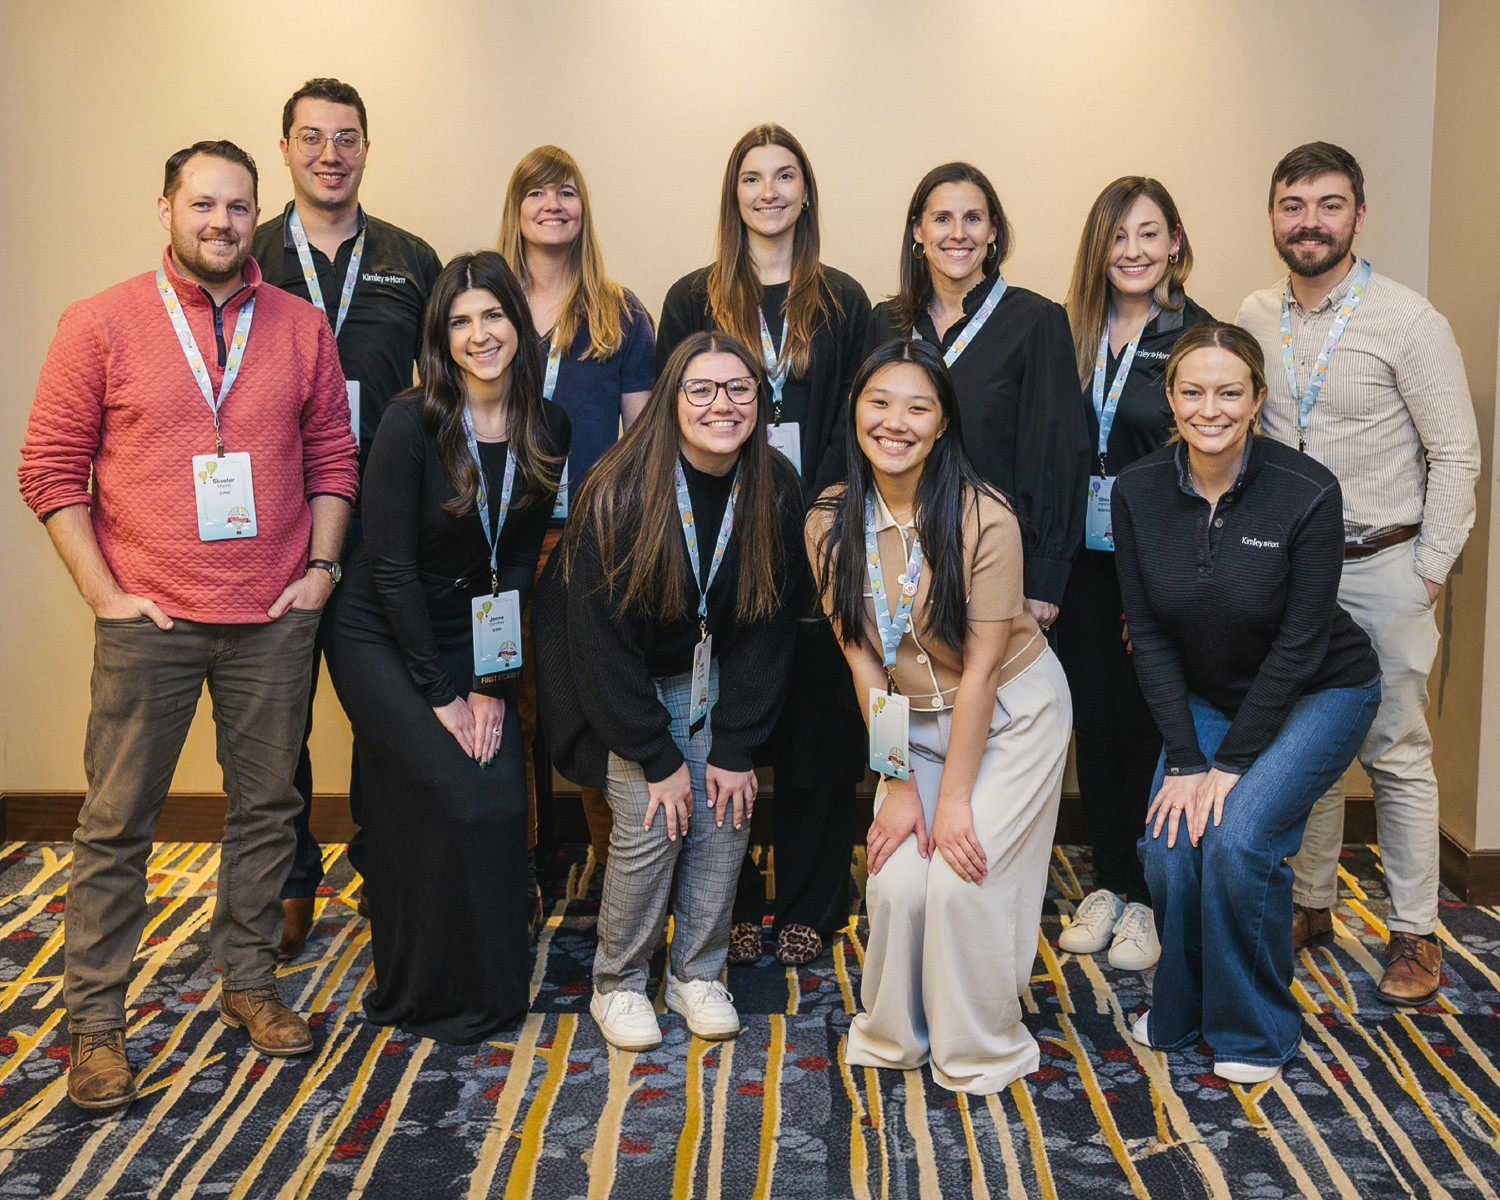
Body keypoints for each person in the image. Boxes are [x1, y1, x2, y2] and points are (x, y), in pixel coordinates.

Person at [18, 140, 359, 1109]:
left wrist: (321, 571)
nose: (221, 222)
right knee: (116, 823)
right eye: (203, 204)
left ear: (258, 216)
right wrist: (103, 593)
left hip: (273, 615)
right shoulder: (98, 322)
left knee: (267, 811)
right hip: (149, 620)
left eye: (238, 206)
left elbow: (334, 456)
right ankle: (95, 1024)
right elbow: (49, 467)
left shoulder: (299, 327)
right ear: (165, 209)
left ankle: (248, 982)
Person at [1236, 142, 1480, 1005]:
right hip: (1289, 571)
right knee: (1302, 741)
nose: (1310, 222)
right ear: (1274, 215)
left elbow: (1457, 454)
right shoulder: (1254, 314)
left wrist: (1427, 571)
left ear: (1359, 216)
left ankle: (1414, 931)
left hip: (1384, 564)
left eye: (1329, 205)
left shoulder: (1410, 321)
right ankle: (1311, 904)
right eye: (1293, 205)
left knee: (1395, 751)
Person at [1114, 322, 1381, 1084]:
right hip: (1210, 694)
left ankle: (1255, 1028)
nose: (1211, 409)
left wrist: (1227, 766)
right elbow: (1149, 637)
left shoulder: (1307, 491)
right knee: (1169, 846)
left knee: (1238, 840)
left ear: (1257, 398)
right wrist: (1186, 761)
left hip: (1322, 690)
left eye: (1229, 392)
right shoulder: (1136, 491)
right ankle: (1183, 1006)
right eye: (1193, 391)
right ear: (1170, 398)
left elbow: (1299, 647)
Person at [806, 337, 1072, 1095]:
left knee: (960, 878)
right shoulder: (828, 519)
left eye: (918, 408)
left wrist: (951, 801)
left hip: (1011, 713)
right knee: (896, 880)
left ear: (944, 422)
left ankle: (980, 1046)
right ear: (855, 410)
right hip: (909, 720)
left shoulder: (984, 516)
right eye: (879, 403)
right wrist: (896, 784)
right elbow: (864, 661)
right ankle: (896, 1035)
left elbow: (981, 671)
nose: (896, 423)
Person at [320, 251, 568, 1043]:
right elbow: (390, 570)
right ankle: (418, 988)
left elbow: (518, 561)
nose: (479, 334)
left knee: (498, 801)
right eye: (459, 322)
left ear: (517, 324)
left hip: (473, 630)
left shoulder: (547, 425)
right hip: (380, 632)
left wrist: (492, 685)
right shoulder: (411, 422)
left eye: (492, 315)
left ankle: (489, 987)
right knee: (448, 792)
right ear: (441, 338)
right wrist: (442, 694)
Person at [535, 331, 802, 1050]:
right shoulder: (620, 488)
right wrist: (656, 756)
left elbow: (770, 627)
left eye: (739, 388)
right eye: (702, 389)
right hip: (615, 679)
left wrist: (737, 745)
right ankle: (619, 982)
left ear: (759, 400)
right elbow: (599, 642)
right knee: (653, 821)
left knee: (726, 813)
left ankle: (696, 974)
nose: (723, 405)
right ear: (671, 401)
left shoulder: (775, 484)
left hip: (710, 670)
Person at [657, 124, 870, 966]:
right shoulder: (692, 296)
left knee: (819, 722)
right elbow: (678, 417)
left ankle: (815, 896)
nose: (770, 192)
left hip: (820, 531)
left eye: (785, 177)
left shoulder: (843, 299)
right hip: (721, 531)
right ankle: (736, 896)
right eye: (753, 178)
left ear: (806, 192)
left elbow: (859, 419)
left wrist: (817, 512)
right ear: (734, 193)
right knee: (725, 713)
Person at [252, 78, 443, 960]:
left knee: (383, 705)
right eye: (312, 137)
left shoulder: (410, 257)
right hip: (269, 520)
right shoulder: (251, 254)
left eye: (347, 137)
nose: (330, 154)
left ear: (367, 147)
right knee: (275, 713)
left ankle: (381, 862)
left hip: (383, 521)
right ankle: (290, 879)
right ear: (285, 148)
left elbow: (448, 386)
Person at [1055, 178, 1212, 971]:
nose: (1134, 251)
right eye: (1118, 236)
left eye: (1149, 234)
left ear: (1175, 241)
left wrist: (1166, 581)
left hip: (1157, 564)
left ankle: (1149, 894)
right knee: (1095, 721)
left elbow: (1208, 460)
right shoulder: (1069, 330)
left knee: (1153, 723)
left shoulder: (1196, 335)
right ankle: (1109, 882)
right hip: (1079, 565)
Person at [496, 144, 656, 889]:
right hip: (502, 537)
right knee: (510, 706)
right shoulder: (488, 303)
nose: (552, 205)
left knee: (595, 701)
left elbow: (645, 441)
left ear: (583, 208)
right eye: (537, 193)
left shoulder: (619, 311)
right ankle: (519, 868)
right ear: (516, 209)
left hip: (592, 538)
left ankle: (612, 867)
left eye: (566, 192)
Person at [866, 162, 1087, 631]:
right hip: (895, 555)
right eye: (942, 219)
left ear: (992, 232)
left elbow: (1056, 451)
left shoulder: (1036, 321)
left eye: (973, 218)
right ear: (918, 232)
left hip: (996, 561)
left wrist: (1044, 577)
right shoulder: (887, 322)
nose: (958, 233)